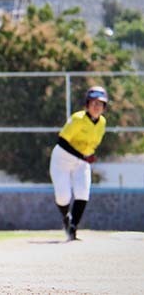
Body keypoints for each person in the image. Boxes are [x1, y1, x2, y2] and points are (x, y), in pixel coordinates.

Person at [49, 86, 108, 241]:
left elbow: (92, 144)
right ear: (87, 104)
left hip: (81, 162)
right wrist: (82, 155)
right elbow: (62, 141)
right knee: (63, 197)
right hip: (62, 159)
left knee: (83, 192)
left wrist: (89, 155)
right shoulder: (77, 118)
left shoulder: (102, 122)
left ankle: (72, 228)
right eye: (93, 103)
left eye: (100, 104)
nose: (96, 107)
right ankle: (66, 218)